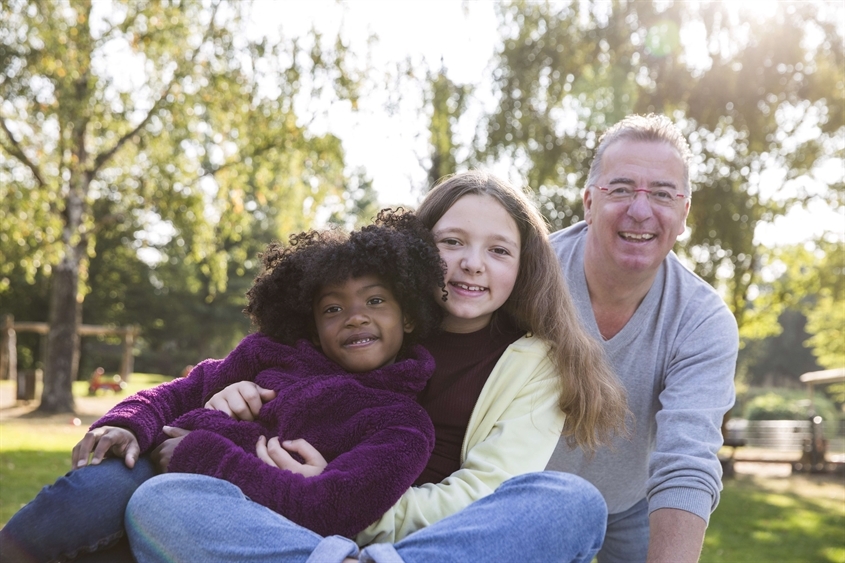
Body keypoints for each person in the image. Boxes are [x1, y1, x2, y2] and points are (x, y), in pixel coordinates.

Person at [123, 170, 629, 563]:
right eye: (452, 242)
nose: (473, 263)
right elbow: (262, 387)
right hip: (288, 510)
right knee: (162, 500)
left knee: (570, 501)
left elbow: (482, 493)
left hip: (424, 542)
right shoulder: (364, 320)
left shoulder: (536, 362)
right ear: (414, 250)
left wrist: (347, 502)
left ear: (524, 268)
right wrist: (228, 399)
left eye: (499, 250)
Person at [0, 209, 448, 562]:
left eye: (375, 301)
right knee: (77, 499)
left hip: (227, 516)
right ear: (311, 323)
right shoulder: (269, 353)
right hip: (153, 462)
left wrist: (203, 454)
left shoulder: (403, 424)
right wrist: (129, 423)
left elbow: (331, 508)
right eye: (332, 309)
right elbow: (184, 390)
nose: (354, 316)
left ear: (408, 314)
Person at [545, 114, 739, 563]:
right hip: (529, 490)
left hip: (634, 499)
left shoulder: (702, 319)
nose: (640, 208)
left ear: (684, 213)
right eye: (621, 188)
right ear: (589, 202)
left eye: (662, 193)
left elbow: (687, 461)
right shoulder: (529, 275)